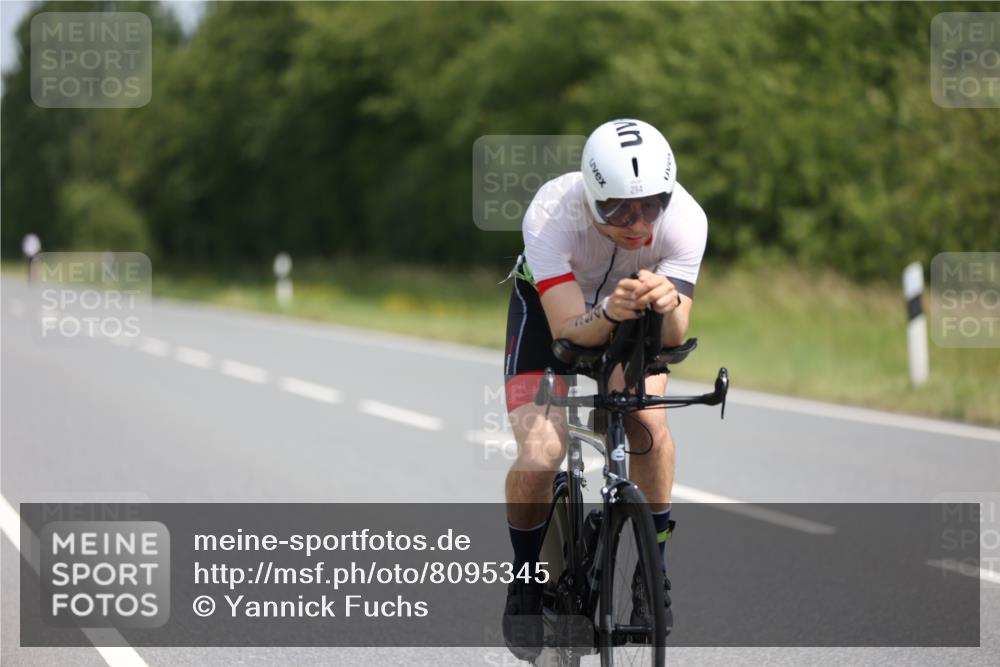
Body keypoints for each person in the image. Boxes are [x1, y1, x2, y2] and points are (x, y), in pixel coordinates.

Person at [501, 118, 708, 660]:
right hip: (553, 316)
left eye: (651, 206)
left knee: (649, 426)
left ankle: (652, 575)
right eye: (618, 209)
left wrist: (665, 306)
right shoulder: (552, 213)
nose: (637, 224)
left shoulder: (685, 218)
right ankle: (525, 577)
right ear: (591, 197)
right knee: (541, 453)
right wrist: (608, 310)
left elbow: (678, 332)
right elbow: (571, 332)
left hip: (634, 314)